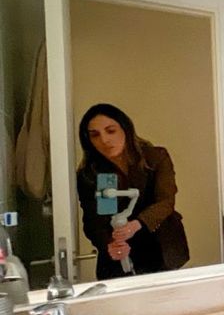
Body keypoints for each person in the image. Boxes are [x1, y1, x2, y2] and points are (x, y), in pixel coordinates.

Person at [76, 104, 189, 280]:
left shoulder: (155, 158)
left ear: (125, 129)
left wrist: (135, 225)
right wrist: (109, 244)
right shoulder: (91, 174)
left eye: (111, 131)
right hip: (119, 255)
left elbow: (165, 202)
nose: (104, 140)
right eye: (95, 135)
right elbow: (94, 221)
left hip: (161, 246)